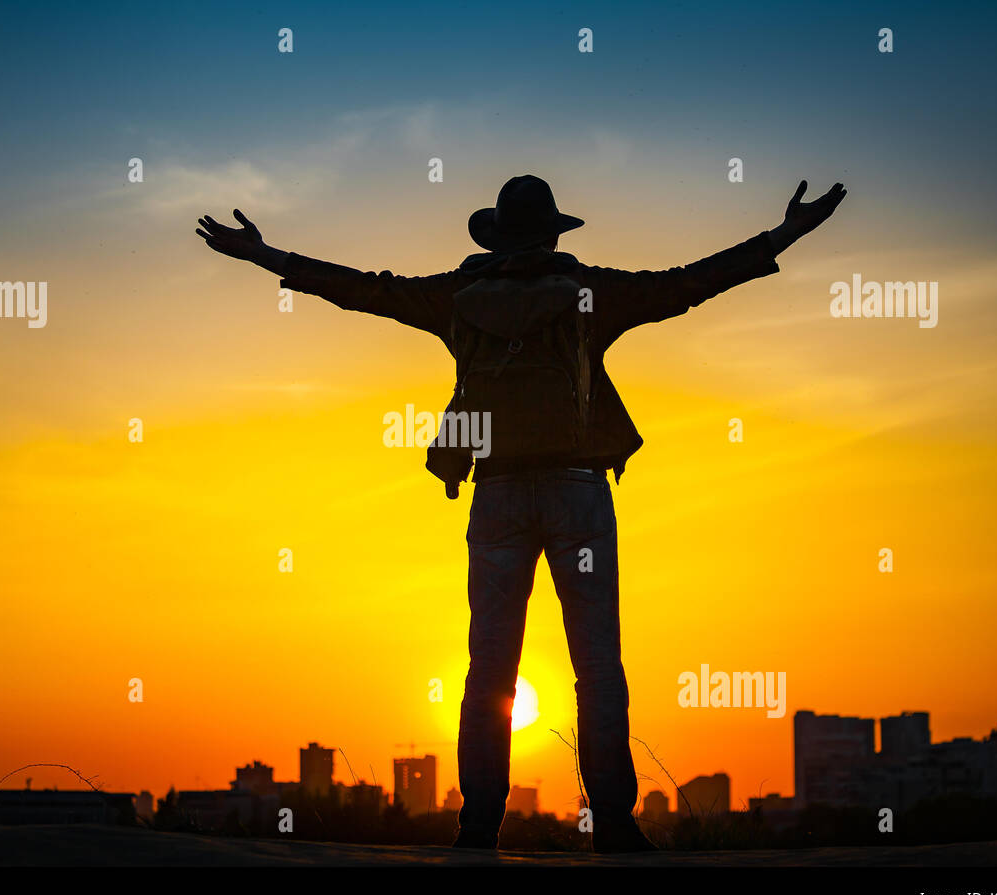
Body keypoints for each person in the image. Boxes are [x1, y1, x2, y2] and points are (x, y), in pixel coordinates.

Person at [196, 173, 846, 852]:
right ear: (553, 233)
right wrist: (786, 234)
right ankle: (615, 827)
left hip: (497, 493)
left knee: (488, 669)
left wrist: (265, 255)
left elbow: (365, 289)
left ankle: (477, 825)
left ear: (498, 234)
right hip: (579, 492)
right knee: (597, 667)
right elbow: (685, 283)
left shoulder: (455, 296)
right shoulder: (590, 291)